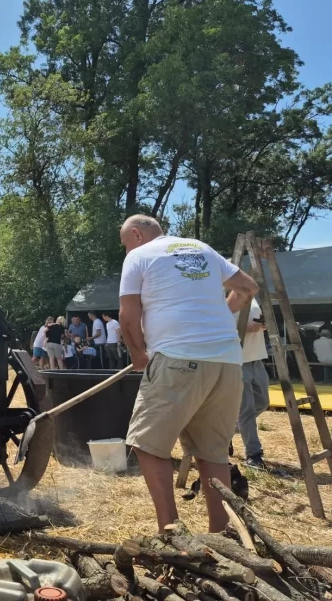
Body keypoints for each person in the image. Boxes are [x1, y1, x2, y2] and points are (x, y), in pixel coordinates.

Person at [118, 214, 259, 533]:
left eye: (125, 244)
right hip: (226, 362)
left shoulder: (139, 256)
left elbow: (128, 316)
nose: (126, 250)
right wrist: (221, 312)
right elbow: (248, 287)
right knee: (213, 453)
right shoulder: (202, 249)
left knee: (147, 444)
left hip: (178, 359)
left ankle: (171, 532)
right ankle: (221, 536)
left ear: (136, 235)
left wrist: (139, 355)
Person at [235, 297, 270, 469]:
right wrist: (243, 328)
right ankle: (254, 455)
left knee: (263, 402)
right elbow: (214, 325)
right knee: (246, 410)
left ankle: (226, 433)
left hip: (256, 356)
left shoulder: (251, 295)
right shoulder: (220, 292)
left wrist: (264, 324)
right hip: (238, 359)